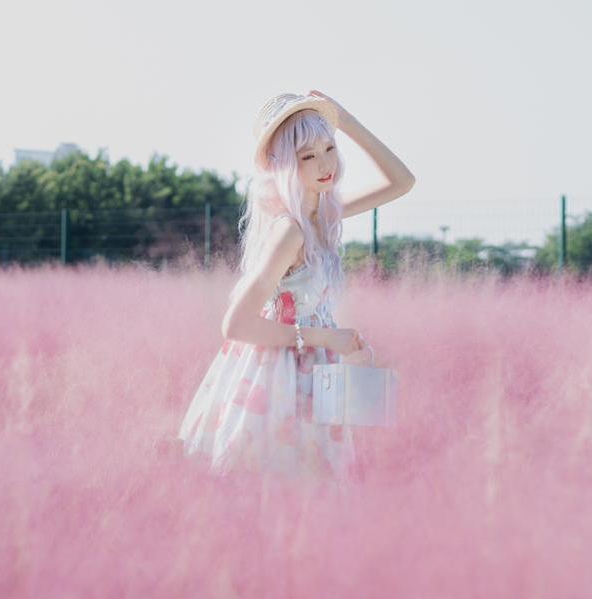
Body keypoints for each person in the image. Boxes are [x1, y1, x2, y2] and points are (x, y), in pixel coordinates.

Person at [176, 90, 415, 493]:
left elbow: (403, 181)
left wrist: (346, 122)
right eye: (307, 156)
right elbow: (234, 324)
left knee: (311, 495)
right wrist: (323, 336)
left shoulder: (323, 214)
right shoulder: (289, 230)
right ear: (284, 164)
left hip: (312, 372)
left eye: (329, 149)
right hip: (277, 378)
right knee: (279, 489)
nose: (325, 165)